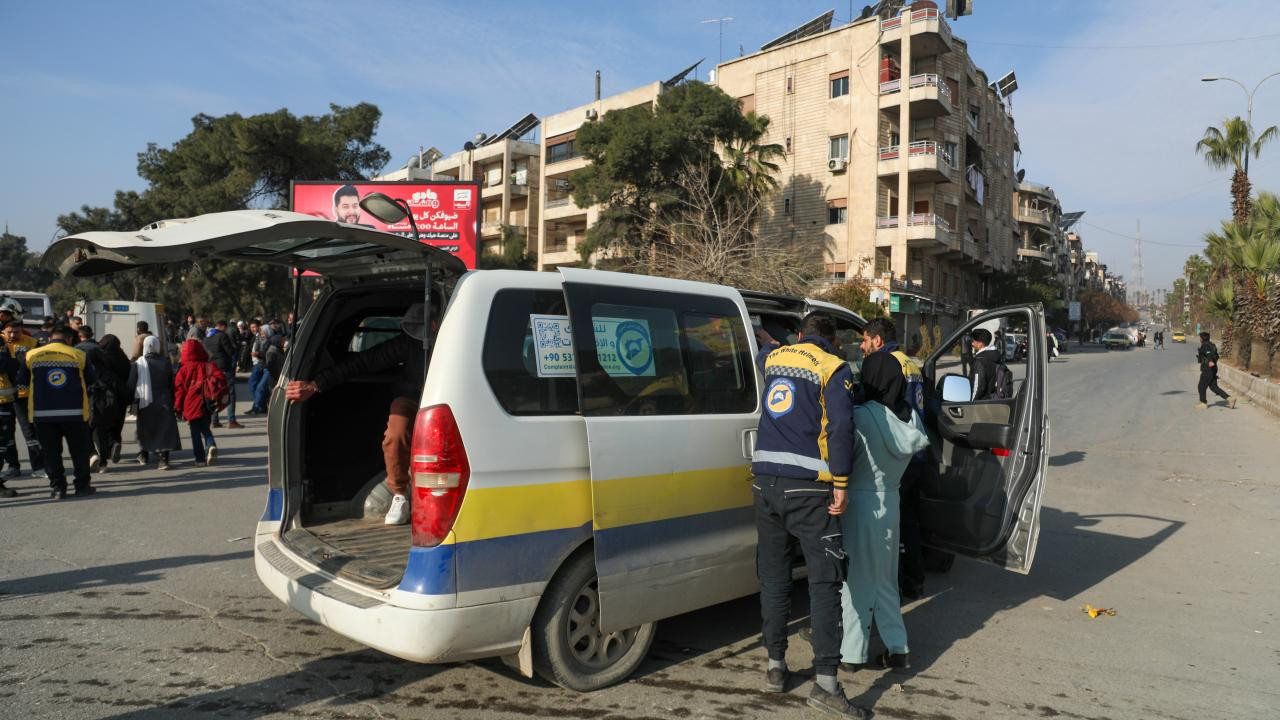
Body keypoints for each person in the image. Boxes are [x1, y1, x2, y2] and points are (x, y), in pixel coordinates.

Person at [749, 314, 864, 718]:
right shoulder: (833, 367)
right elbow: (841, 427)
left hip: (764, 483)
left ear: (800, 335)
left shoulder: (775, 358)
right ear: (831, 340)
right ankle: (827, 685)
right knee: (824, 582)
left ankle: (775, 666)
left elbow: (763, 349)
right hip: (809, 489)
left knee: (775, 577)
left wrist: (765, 333)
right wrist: (842, 483)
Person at [286, 304, 433, 526]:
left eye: (429, 324)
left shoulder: (460, 342)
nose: (426, 329)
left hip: (449, 401)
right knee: (396, 434)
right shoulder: (409, 343)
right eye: (420, 325)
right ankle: (400, 495)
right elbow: (366, 361)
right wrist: (316, 385)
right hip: (412, 399)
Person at [840, 322, 930, 674]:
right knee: (885, 580)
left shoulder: (860, 417)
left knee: (856, 583)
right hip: (889, 501)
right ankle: (898, 649)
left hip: (860, 506)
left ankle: (852, 653)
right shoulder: (909, 422)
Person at [17, 326, 97, 499]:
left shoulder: (31, 355)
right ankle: (82, 486)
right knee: (79, 452)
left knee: (51, 453)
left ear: (51, 337)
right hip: (75, 414)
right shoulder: (79, 355)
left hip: (43, 415)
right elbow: (92, 381)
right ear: (69, 339)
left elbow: (21, 384)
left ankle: (58, 489)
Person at [127, 336, 181, 470]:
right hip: (163, 399)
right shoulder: (166, 362)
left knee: (146, 427)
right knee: (164, 428)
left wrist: (129, 400)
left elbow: (131, 384)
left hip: (145, 401)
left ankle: (144, 455)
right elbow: (171, 383)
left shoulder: (138, 363)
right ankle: (163, 459)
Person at [173, 339, 223, 466]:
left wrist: (178, 408)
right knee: (205, 428)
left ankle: (199, 459)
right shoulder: (208, 366)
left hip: (190, 405)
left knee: (195, 433)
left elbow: (179, 391)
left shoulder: (183, 370)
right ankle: (211, 444)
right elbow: (220, 379)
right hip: (207, 402)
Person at [90, 335, 132, 472]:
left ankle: (106, 451)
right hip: (120, 395)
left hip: (102, 397)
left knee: (100, 427)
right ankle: (115, 442)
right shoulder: (123, 358)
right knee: (116, 423)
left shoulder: (101, 358)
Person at [203, 320, 241, 429]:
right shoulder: (222, 336)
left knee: (214, 393)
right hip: (224, 367)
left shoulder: (207, 337)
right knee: (230, 392)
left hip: (211, 368)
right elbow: (230, 351)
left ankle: (214, 420)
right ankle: (231, 420)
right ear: (222, 327)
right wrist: (235, 348)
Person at [1195, 332, 1235, 409]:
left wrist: (1210, 361)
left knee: (1201, 386)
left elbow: (1209, 354)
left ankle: (1203, 403)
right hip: (1213, 369)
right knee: (1214, 387)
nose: (1199, 339)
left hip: (1208, 369)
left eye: (1200, 337)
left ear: (1202, 338)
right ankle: (1230, 399)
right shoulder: (1212, 345)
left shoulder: (1205, 345)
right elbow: (1216, 355)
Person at [969, 328, 1000, 401]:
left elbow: (979, 387)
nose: (972, 344)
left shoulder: (980, 361)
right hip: (994, 399)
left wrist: (971, 402)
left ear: (980, 344)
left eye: (973, 341)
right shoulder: (995, 355)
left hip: (982, 402)